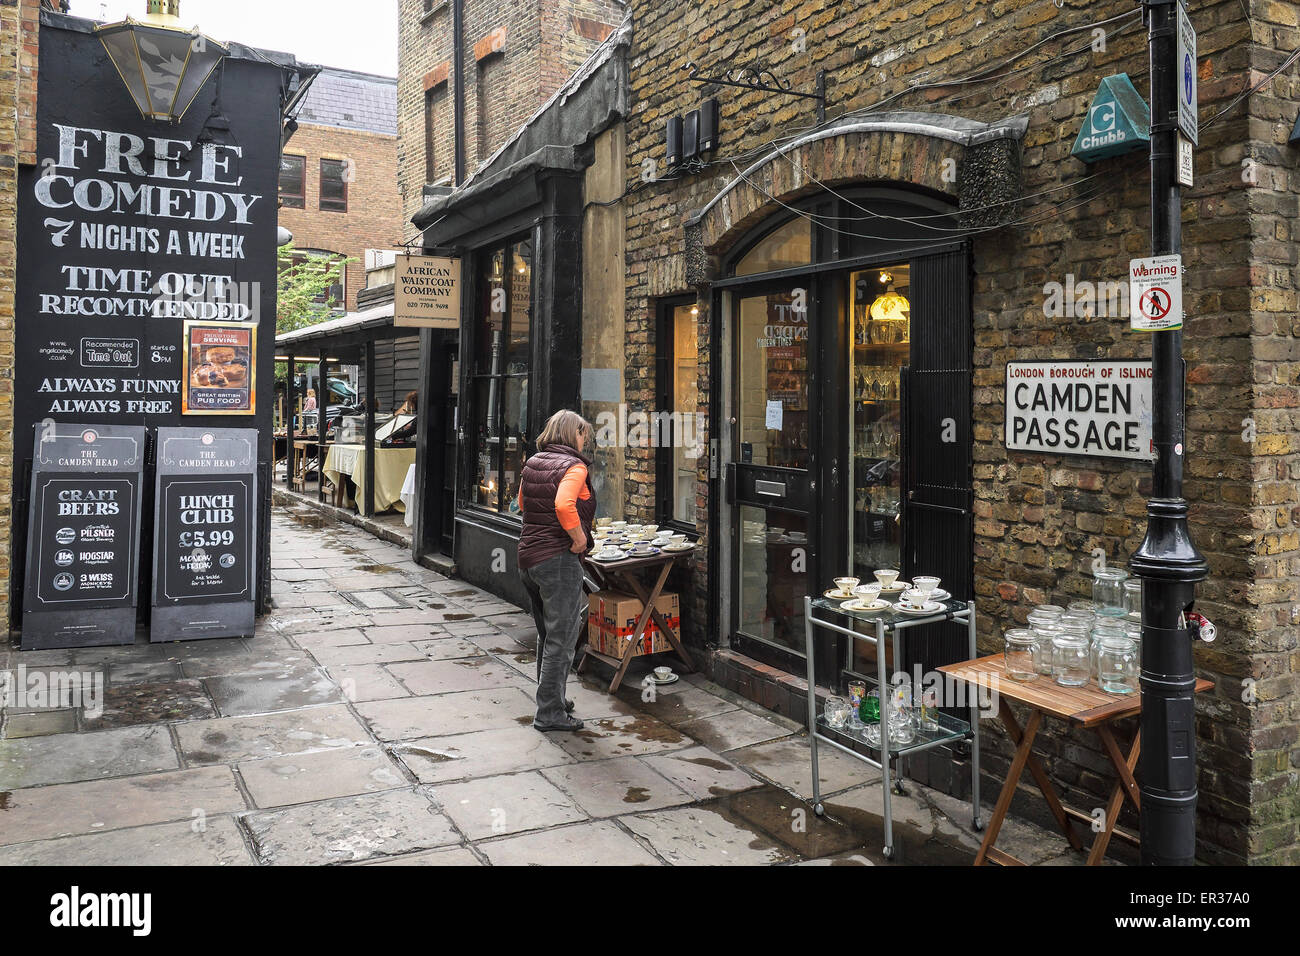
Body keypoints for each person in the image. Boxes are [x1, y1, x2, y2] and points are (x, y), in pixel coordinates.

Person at [516, 409, 596, 732]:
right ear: (570, 434)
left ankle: (551, 698)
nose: (584, 440)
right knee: (562, 638)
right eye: (582, 435)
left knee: (548, 634)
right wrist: (579, 539)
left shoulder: (533, 462)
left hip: (528, 559)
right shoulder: (573, 466)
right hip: (557, 561)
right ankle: (549, 712)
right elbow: (564, 505)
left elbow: (522, 503)